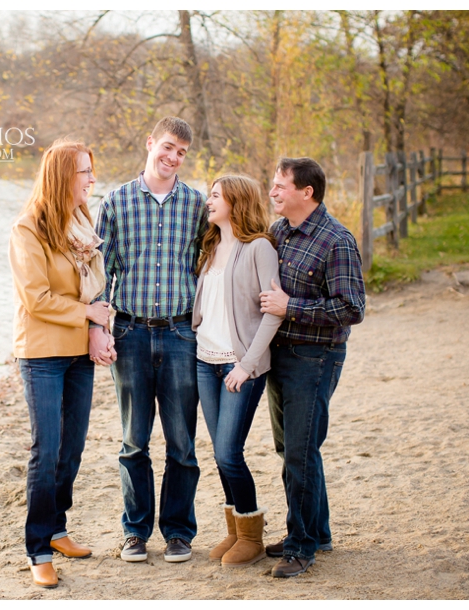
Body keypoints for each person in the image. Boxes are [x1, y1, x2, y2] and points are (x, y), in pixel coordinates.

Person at [91, 117, 208, 563]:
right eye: (168, 147)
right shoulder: (117, 201)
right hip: (132, 333)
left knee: (181, 442)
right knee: (134, 440)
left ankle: (178, 532)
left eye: (181, 151)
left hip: (181, 334)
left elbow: (207, 267)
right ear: (150, 144)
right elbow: (103, 273)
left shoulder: (197, 205)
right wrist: (98, 329)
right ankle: (135, 532)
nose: (173, 157)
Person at [8, 139, 111, 588]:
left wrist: (95, 328)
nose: (91, 179)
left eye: (91, 170)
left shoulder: (81, 219)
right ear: (62, 177)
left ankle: (58, 530)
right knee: (46, 450)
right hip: (41, 354)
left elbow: (93, 287)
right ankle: (36, 548)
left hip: (77, 353)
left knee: (72, 450)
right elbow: (36, 298)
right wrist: (87, 314)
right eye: (84, 172)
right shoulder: (28, 228)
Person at [259, 157, 366, 578]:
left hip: (316, 359)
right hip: (280, 356)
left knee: (300, 455)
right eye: (273, 184)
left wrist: (291, 308)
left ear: (307, 192)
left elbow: (352, 308)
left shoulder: (336, 240)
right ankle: (317, 532)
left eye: (280, 185)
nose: (273, 191)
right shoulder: (278, 232)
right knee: (292, 451)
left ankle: (301, 547)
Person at [191, 174, 282, 567]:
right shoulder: (210, 245)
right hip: (204, 361)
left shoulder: (258, 247)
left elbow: (272, 313)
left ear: (236, 201)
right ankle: (234, 530)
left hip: (239, 365)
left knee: (230, 452)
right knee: (218, 453)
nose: (207, 201)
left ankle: (251, 534)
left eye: (214, 195)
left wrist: (246, 365)